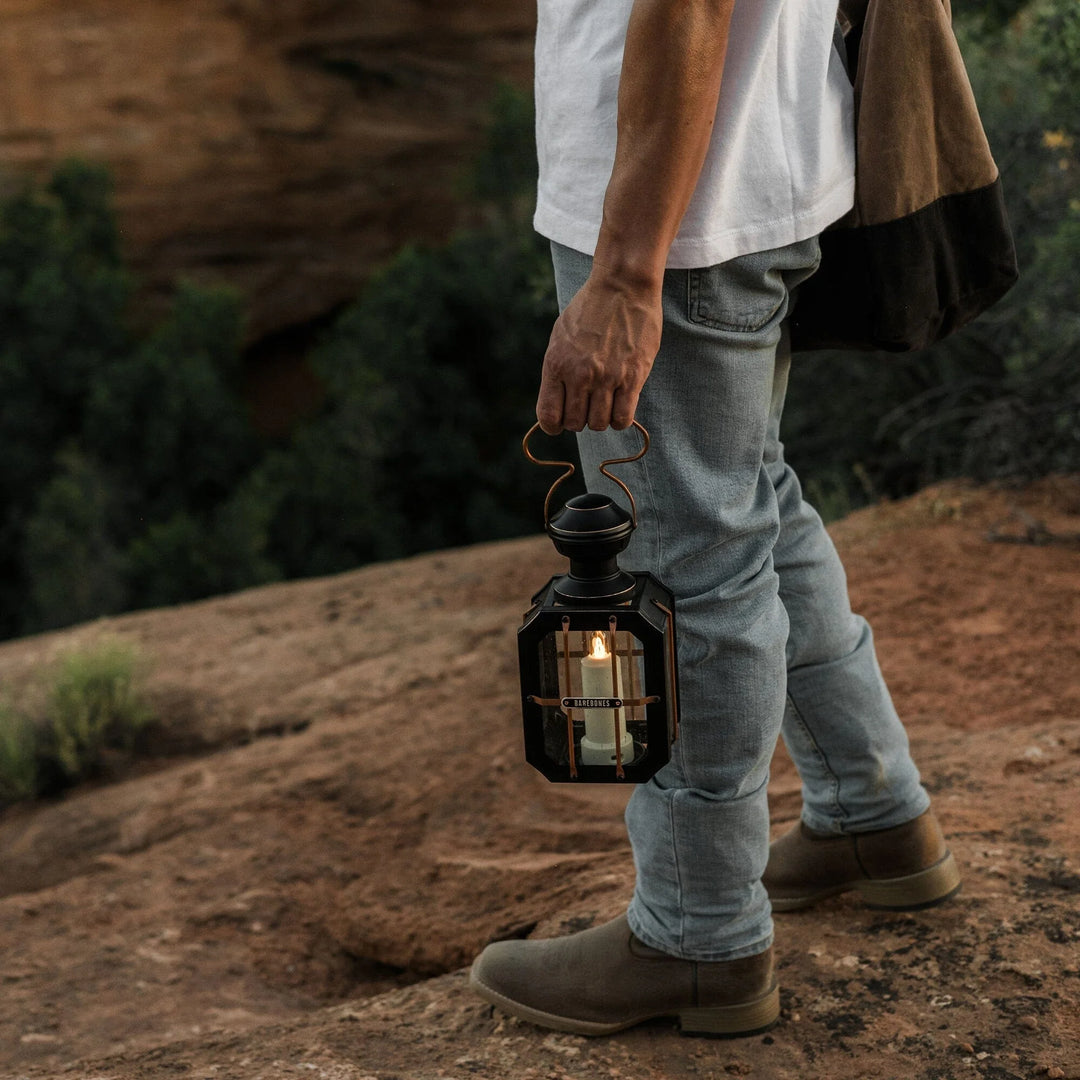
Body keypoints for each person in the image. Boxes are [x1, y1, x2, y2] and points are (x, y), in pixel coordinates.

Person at [469, 0, 961, 1038]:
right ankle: (872, 815)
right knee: (752, 505)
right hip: (758, 166)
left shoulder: (656, 249)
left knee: (689, 562)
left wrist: (624, 276)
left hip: (684, 215)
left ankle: (697, 936)